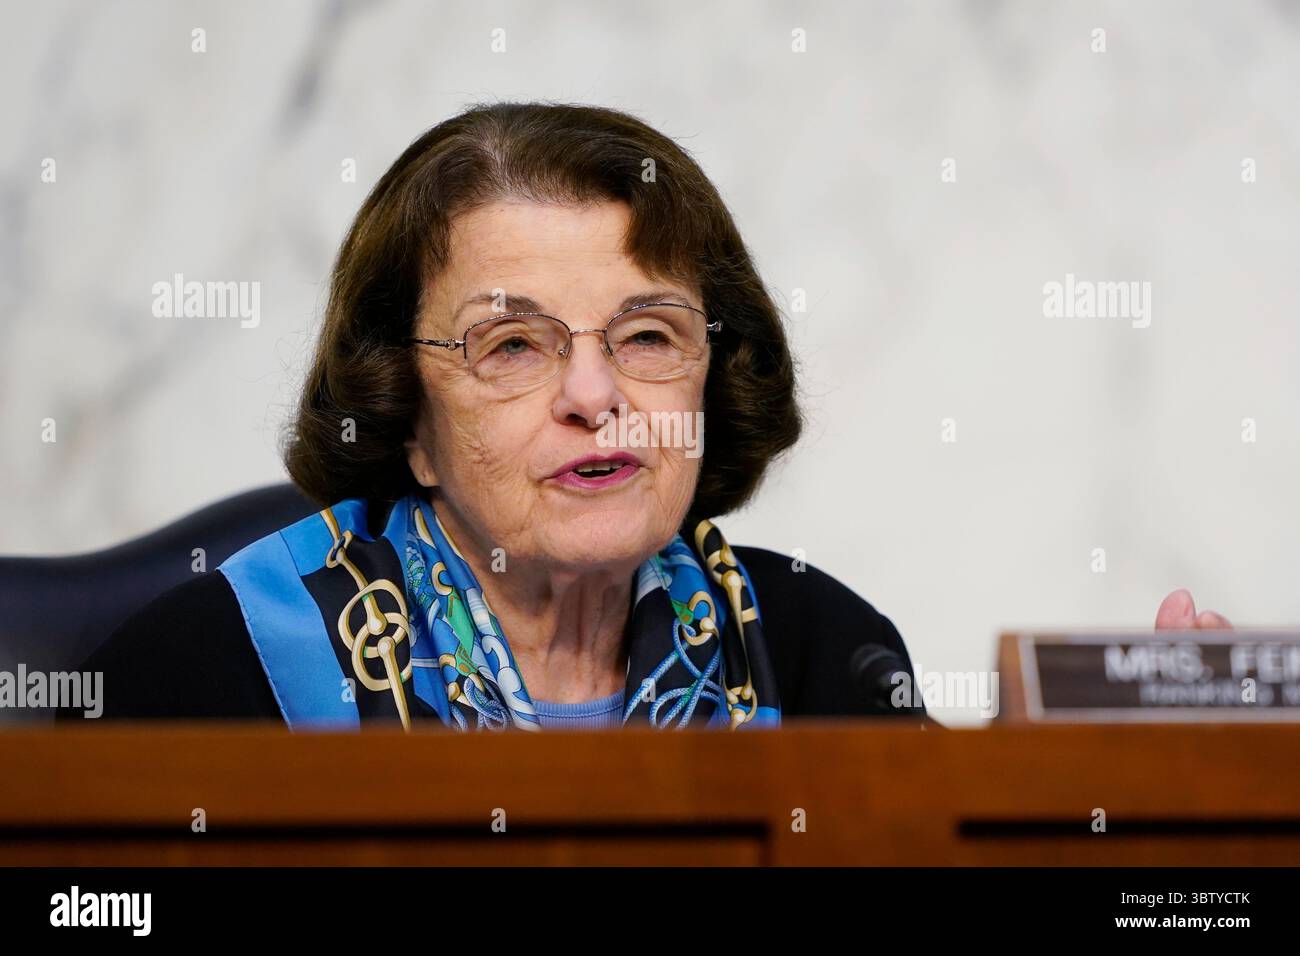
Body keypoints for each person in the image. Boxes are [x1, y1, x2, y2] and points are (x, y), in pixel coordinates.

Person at [63, 102, 1226, 731]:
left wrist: (1135, 818)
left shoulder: (822, 652)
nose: (593, 395)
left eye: (648, 336)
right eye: (512, 344)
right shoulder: (207, 677)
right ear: (405, 416)